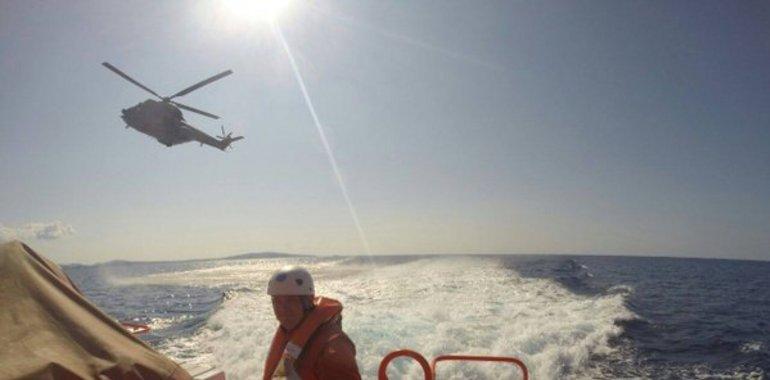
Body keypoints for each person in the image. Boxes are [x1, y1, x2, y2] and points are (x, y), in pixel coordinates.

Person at [263, 266, 361, 380]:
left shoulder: (334, 346)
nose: (283, 309)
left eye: (291, 301)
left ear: (308, 302)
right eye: (277, 302)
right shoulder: (289, 334)